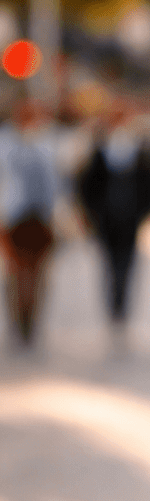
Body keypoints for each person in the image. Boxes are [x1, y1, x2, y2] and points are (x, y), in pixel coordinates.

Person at [77, 92, 150, 332]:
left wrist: (146, 210)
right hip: (107, 215)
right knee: (108, 261)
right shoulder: (99, 145)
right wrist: (91, 211)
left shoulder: (140, 146)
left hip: (130, 214)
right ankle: (113, 303)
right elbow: (87, 182)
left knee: (127, 261)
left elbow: (148, 181)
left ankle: (121, 304)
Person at [0, 98, 60, 346]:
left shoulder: (47, 141)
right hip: (13, 216)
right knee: (15, 272)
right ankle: (17, 319)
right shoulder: (5, 142)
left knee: (38, 273)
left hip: (41, 216)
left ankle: (32, 319)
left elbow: (57, 180)